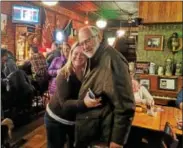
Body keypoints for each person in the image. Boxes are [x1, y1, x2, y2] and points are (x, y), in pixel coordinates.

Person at [76, 26, 135, 148]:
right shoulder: (95, 57)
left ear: (98, 37)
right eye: (82, 43)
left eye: (88, 40)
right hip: (93, 131)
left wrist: (117, 142)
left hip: (102, 136)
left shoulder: (112, 59)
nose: (85, 46)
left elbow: (125, 106)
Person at [44, 42, 101, 148]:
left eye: (82, 54)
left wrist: (130, 80)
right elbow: (64, 104)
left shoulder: (87, 72)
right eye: (75, 53)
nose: (78, 56)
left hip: (74, 120)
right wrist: (85, 103)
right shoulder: (64, 74)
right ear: (71, 54)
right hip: (56, 119)